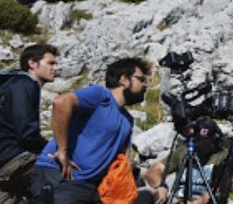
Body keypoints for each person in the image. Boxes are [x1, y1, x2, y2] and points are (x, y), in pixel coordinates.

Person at [30, 57, 160, 203]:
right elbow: (61, 102)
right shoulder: (101, 96)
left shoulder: (127, 120)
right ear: (124, 79)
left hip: (89, 186)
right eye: (141, 79)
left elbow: (122, 160)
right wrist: (62, 150)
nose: (146, 85)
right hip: (60, 175)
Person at [0, 44, 58, 203]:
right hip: (15, 157)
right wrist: (54, 149)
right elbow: (26, 134)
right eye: (50, 63)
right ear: (32, 63)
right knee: (69, 184)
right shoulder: (25, 84)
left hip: (5, 159)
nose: (55, 68)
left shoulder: (10, 83)